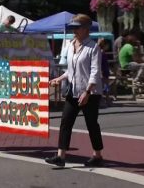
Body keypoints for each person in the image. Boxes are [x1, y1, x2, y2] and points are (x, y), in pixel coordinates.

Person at [45, 14, 104, 167]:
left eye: (76, 28)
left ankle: (97, 155)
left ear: (86, 29)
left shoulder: (93, 47)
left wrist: (87, 92)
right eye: (72, 28)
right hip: (73, 91)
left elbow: (95, 72)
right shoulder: (70, 45)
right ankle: (60, 156)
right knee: (65, 122)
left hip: (90, 93)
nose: (74, 31)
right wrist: (60, 78)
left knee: (92, 124)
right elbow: (72, 70)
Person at [98, 38, 111, 107]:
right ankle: (106, 100)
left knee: (105, 87)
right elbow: (100, 63)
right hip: (103, 71)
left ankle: (106, 100)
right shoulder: (101, 52)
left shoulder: (101, 52)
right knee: (105, 87)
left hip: (104, 71)